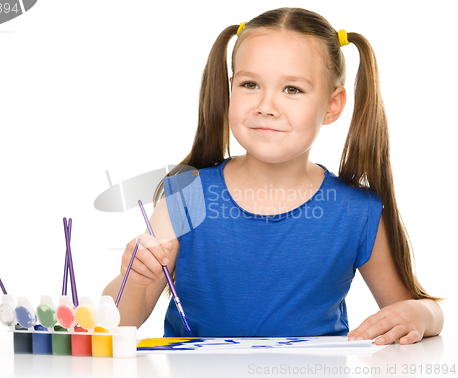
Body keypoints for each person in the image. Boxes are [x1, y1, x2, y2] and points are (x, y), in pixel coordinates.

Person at [103, 7, 443, 345]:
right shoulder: (189, 195)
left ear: (332, 105)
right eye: (250, 84)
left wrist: (423, 315)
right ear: (229, 89)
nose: (266, 105)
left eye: (292, 89)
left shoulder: (356, 211)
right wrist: (134, 280)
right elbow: (121, 321)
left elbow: (413, 310)